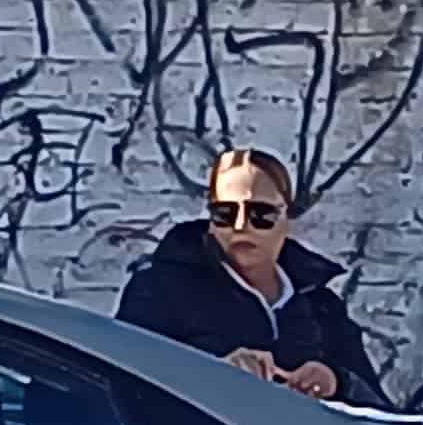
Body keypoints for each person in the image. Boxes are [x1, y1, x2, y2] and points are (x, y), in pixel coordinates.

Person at [111, 148, 397, 411]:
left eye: (260, 214)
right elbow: (124, 391)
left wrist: (335, 381)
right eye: (225, 213)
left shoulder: (321, 306)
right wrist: (215, 374)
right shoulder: (160, 291)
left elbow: (382, 413)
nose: (240, 226)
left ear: (287, 218)